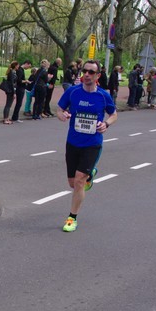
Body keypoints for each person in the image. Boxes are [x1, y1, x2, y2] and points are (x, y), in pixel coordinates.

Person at [55, 59, 117, 232]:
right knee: (72, 183)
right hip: (73, 142)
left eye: (91, 72)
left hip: (92, 144)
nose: (87, 75)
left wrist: (106, 124)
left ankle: (72, 218)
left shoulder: (103, 95)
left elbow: (114, 114)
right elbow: (59, 110)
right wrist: (62, 115)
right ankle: (91, 175)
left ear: (98, 75)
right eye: (85, 71)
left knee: (79, 181)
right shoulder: (73, 92)